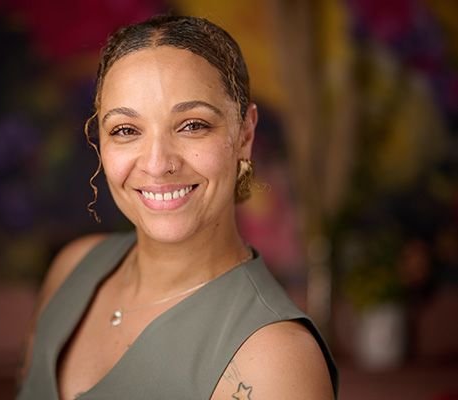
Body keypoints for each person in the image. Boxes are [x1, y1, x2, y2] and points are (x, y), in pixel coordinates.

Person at [18, 15, 338, 400]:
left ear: (245, 134)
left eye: (192, 125)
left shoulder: (276, 360)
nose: (157, 164)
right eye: (126, 130)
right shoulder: (72, 268)